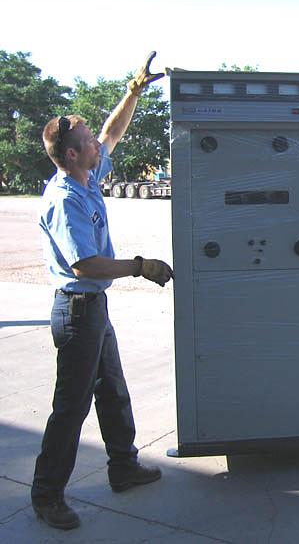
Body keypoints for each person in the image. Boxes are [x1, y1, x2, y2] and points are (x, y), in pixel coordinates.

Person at [31, 53, 174, 530]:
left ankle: (123, 466)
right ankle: (47, 495)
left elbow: (114, 131)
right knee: (70, 407)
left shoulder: (86, 179)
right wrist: (140, 266)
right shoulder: (66, 199)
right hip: (76, 308)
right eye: (88, 142)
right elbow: (86, 263)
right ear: (71, 154)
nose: (99, 144)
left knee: (111, 389)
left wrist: (134, 90)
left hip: (93, 307)